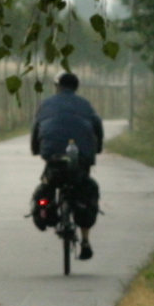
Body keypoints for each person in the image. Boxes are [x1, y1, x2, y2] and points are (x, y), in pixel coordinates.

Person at [27, 70, 103, 235]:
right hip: (81, 156)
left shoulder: (46, 103)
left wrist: (35, 149)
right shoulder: (84, 104)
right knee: (85, 187)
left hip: (52, 154)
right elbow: (97, 125)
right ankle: (85, 241)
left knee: (48, 183)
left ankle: (45, 207)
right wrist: (97, 148)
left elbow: (36, 128)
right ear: (76, 87)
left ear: (57, 87)